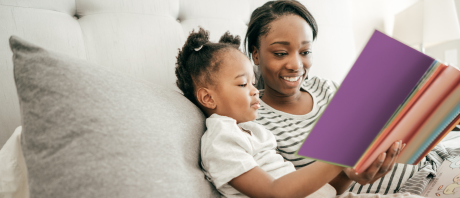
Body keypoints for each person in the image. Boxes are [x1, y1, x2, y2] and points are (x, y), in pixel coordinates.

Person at [174, 28, 424, 198]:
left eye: (253, 83)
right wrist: (340, 157)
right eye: (242, 84)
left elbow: (311, 188)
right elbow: (275, 192)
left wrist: (349, 173)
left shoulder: (252, 131)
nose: (254, 91)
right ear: (207, 97)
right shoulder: (221, 139)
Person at [244, 0, 421, 195]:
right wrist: (347, 174)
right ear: (256, 55)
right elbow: (303, 193)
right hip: (414, 187)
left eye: (305, 52)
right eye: (280, 53)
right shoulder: (254, 120)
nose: (296, 65)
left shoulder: (325, 87)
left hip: (430, 164)